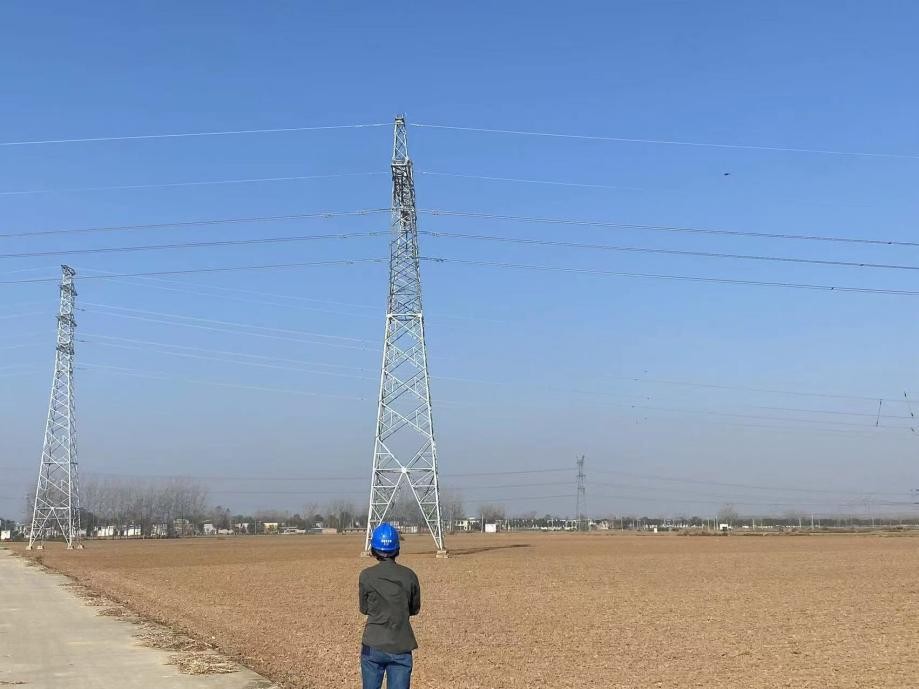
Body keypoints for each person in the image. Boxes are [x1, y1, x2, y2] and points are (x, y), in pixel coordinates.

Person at [359, 523, 421, 689]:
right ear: (397, 548)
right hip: (401, 644)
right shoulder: (409, 575)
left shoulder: (366, 575)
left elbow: (364, 609)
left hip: (373, 645)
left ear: (373, 549)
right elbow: (414, 609)